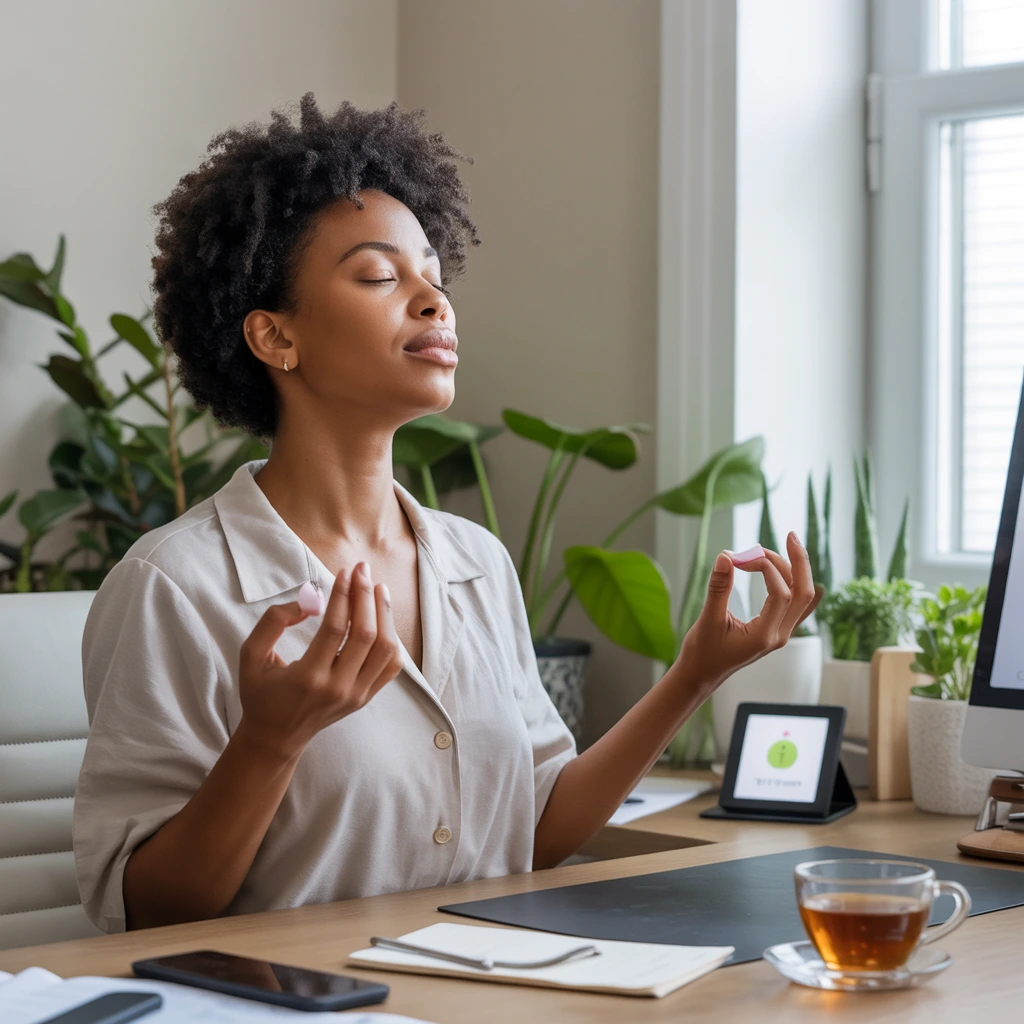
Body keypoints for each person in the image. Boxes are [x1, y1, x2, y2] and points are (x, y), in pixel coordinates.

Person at [73, 94, 820, 934]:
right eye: (380, 276)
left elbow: (536, 832)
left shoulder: (475, 562)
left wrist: (696, 675)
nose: (434, 300)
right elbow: (144, 911)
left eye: (434, 272)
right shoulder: (175, 586)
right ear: (276, 338)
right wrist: (269, 743)